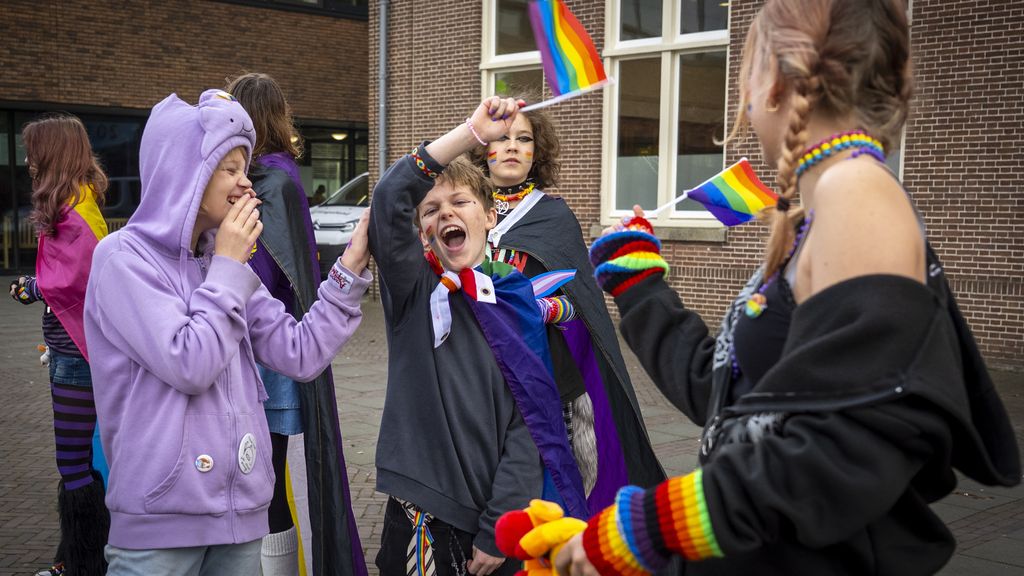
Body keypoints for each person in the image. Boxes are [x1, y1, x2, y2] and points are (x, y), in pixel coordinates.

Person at [553, 0, 1021, 574]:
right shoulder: (827, 208)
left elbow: (856, 443)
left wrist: (648, 525)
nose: (744, 105)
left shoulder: (856, 191)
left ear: (775, 78)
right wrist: (641, 287)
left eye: (746, 76)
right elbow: (731, 399)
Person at [83, 89, 372, 575]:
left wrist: (349, 267)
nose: (246, 186)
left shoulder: (223, 260)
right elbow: (189, 363)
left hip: (241, 520)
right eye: (231, 169)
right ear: (186, 173)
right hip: (160, 525)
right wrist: (227, 266)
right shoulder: (122, 259)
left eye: (246, 170)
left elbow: (299, 352)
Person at [368, 96, 590, 576]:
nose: (445, 213)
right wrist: (471, 132)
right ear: (424, 230)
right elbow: (389, 198)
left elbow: (531, 420)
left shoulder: (513, 299)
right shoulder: (413, 292)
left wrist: (502, 522)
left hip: (497, 521)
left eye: (460, 202)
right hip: (421, 509)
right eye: (431, 209)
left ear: (489, 218)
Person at [471, 103, 664, 512]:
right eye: (501, 138)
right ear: (481, 146)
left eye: (524, 139)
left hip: (539, 378)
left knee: (538, 493)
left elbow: (581, 307)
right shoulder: (462, 207)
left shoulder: (553, 216)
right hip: (472, 375)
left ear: (536, 154)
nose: (512, 147)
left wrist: (540, 308)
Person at [226, 71, 366, 576]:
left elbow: (262, 271)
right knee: (263, 485)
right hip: (269, 341)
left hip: (272, 349)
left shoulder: (272, 181)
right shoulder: (275, 176)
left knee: (265, 486)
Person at [9, 114, 111, 576]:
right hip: (69, 353)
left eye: (35, 151)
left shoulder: (75, 212)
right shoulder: (75, 204)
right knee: (78, 463)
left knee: (73, 466)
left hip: (75, 357)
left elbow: (79, 280)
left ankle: (83, 563)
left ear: (55, 153)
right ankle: (73, 557)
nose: (29, 161)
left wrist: (35, 286)